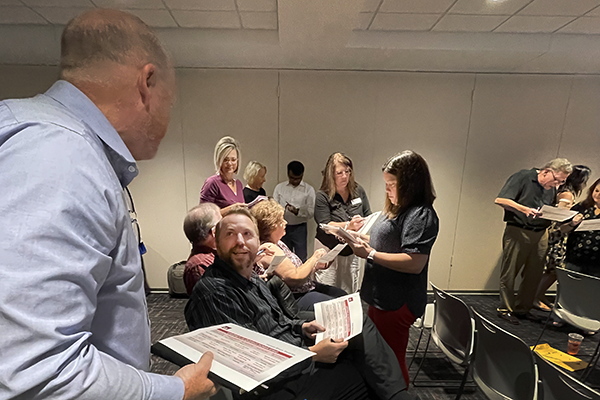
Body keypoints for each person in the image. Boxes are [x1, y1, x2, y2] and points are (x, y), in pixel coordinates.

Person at [0, 9, 216, 400]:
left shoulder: (35, 131)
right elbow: (36, 372)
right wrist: (177, 391)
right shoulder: (61, 156)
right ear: (147, 83)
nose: (168, 118)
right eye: (170, 102)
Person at [184, 208, 412, 400]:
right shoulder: (213, 291)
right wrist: (312, 354)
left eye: (247, 234)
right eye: (230, 234)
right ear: (217, 241)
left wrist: (301, 327)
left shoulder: (251, 278)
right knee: (364, 374)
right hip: (276, 384)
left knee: (360, 329)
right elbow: (249, 361)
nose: (241, 241)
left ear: (258, 241)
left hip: (292, 355)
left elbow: (277, 321)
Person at [345, 150, 439, 387]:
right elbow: (390, 243)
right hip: (382, 295)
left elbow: (415, 262)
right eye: (386, 184)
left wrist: (370, 253)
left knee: (391, 358)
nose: (387, 190)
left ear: (410, 184)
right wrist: (362, 240)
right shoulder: (399, 208)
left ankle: (398, 393)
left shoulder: (421, 214)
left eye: (391, 185)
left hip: (398, 299)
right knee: (379, 354)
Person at [494, 158, 572, 325]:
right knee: (510, 272)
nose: (557, 184)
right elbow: (501, 200)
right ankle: (505, 309)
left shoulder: (551, 188)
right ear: (546, 172)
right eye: (557, 180)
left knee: (534, 273)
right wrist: (524, 209)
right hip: (518, 229)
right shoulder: (523, 177)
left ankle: (523, 308)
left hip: (541, 232)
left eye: (562, 182)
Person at [251, 198, 347, 311]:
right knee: (340, 304)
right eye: (281, 220)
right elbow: (294, 278)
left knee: (342, 295)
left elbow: (297, 271)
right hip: (293, 298)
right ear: (271, 226)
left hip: (305, 288)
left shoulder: (278, 243)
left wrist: (315, 266)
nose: (285, 222)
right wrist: (315, 257)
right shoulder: (269, 249)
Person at [534, 165, 592, 311]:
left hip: (555, 233)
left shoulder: (560, 190)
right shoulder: (567, 194)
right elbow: (560, 216)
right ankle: (536, 297)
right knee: (553, 269)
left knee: (552, 269)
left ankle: (539, 295)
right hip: (558, 234)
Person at [314, 152, 371, 294]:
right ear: (331, 175)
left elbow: (367, 214)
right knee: (327, 290)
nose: (345, 176)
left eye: (347, 171)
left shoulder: (358, 190)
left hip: (351, 249)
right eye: (339, 173)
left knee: (349, 291)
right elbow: (324, 223)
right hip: (329, 249)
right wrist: (348, 226)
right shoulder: (322, 195)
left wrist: (363, 224)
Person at [273, 160, 316, 262]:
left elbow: (311, 212)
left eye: (298, 179)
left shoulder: (308, 190)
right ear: (288, 174)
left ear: (302, 175)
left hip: (299, 227)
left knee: (301, 257)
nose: (295, 181)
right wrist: (283, 209)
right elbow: (274, 207)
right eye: (292, 178)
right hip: (282, 226)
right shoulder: (280, 188)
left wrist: (297, 212)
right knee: (282, 256)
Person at [564, 177, 600, 277]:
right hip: (575, 258)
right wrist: (572, 224)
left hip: (597, 264)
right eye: (596, 191)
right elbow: (562, 229)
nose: (598, 195)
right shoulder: (581, 207)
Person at [182, 203, 222, 296]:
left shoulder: (215, 255)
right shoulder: (198, 265)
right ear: (214, 231)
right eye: (222, 224)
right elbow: (215, 299)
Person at [199, 136, 245, 213]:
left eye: (233, 160)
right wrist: (230, 209)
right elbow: (204, 214)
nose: (230, 163)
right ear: (219, 160)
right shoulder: (212, 183)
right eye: (225, 160)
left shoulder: (238, 184)